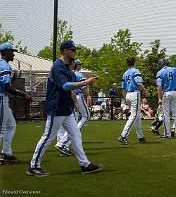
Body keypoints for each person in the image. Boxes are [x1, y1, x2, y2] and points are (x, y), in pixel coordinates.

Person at [27, 40, 102, 177]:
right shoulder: (58, 66)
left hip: (66, 108)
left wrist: (75, 103)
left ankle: (85, 164)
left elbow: (71, 90)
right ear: (65, 51)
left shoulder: (68, 68)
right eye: (72, 50)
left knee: (75, 134)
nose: (75, 52)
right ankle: (33, 166)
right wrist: (86, 82)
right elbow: (65, 86)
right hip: (56, 107)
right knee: (48, 136)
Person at [0, 42, 32, 166]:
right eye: (11, 51)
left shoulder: (3, 65)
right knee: (2, 129)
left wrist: (13, 79)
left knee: (11, 125)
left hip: (3, 98)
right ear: (4, 53)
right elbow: (7, 87)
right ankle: (6, 154)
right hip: (1, 98)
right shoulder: (4, 66)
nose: (13, 53)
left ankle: (7, 153)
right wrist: (24, 94)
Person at [55, 59, 92, 155]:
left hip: (68, 98)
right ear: (77, 65)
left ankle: (62, 142)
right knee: (86, 116)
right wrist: (88, 95)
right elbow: (84, 88)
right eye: (80, 64)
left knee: (68, 120)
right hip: (77, 97)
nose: (80, 66)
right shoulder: (78, 74)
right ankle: (63, 143)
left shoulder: (68, 73)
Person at [118, 56, 149, 145]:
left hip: (128, 94)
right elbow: (139, 83)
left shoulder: (125, 73)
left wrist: (125, 98)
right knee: (134, 115)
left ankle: (140, 136)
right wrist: (146, 91)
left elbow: (123, 88)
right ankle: (123, 136)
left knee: (137, 115)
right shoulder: (136, 71)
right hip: (135, 93)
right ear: (134, 62)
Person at [156, 59, 176, 138]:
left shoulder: (160, 72)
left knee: (166, 114)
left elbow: (159, 87)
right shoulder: (173, 69)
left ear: (161, 64)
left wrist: (159, 98)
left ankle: (167, 134)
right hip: (175, 92)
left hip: (166, 93)